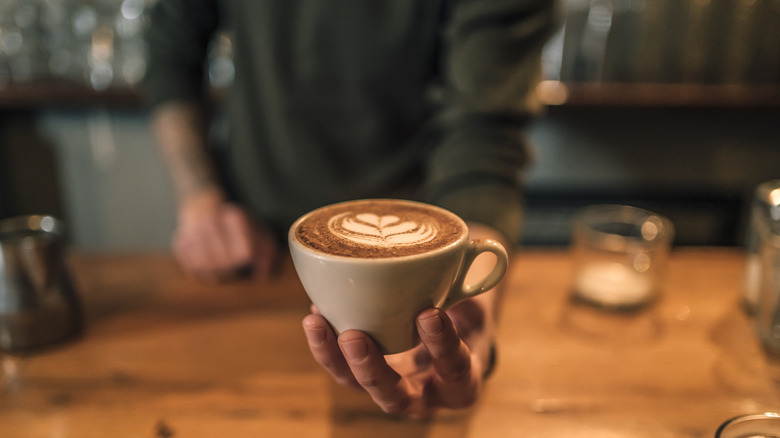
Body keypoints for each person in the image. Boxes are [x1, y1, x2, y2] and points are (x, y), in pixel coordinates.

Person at [145, 0, 558, 419]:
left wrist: (468, 301)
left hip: (417, 276)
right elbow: (170, 47)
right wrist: (201, 200)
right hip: (251, 253)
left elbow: (486, 126)